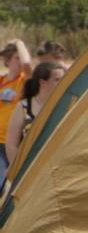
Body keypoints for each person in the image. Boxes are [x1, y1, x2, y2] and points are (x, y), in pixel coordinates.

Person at [4, 59, 65, 171]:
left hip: (60, 168)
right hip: (32, 172)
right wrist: (19, 171)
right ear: (42, 82)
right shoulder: (24, 107)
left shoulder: (66, 104)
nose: (62, 83)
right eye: (57, 80)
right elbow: (11, 144)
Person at [0, 42, 28, 178]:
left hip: (13, 142)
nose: (21, 61)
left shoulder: (24, 80)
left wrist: (19, 43)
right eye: (17, 58)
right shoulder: (1, 80)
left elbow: (27, 64)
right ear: (7, 60)